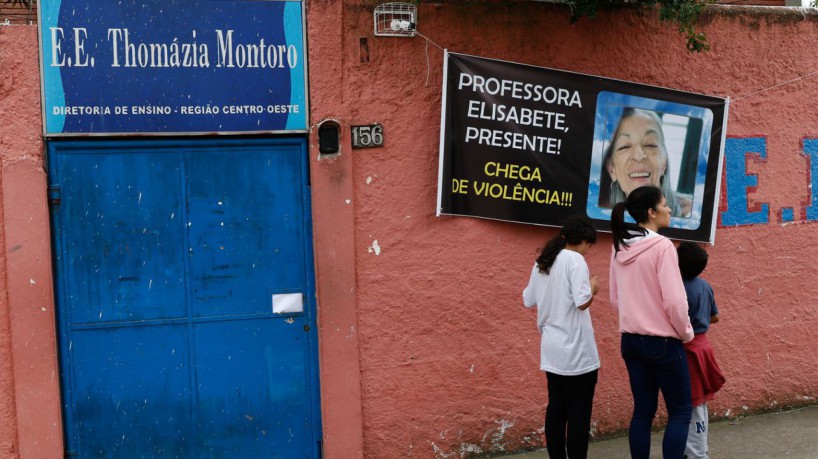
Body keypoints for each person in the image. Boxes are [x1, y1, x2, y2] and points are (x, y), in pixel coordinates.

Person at [608, 185, 694, 459]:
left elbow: (614, 297)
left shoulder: (618, 246)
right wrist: (686, 333)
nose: (670, 208)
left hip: (631, 341)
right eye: (664, 204)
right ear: (651, 212)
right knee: (680, 412)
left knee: (642, 412)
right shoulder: (663, 246)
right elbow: (676, 302)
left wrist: (637, 317)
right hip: (664, 343)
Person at [522, 216, 600, 459]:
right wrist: (592, 288)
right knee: (579, 413)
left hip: (552, 349)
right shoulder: (575, 260)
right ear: (584, 241)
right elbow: (582, 302)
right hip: (577, 351)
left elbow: (528, 299)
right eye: (589, 245)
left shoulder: (542, 261)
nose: (589, 250)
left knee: (556, 408)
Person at [676, 241, 726, 459]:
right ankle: (699, 448)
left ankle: (696, 453)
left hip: (688, 350)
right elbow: (715, 317)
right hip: (703, 347)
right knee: (700, 402)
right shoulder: (704, 286)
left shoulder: (677, 288)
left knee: (692, 403)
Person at [601, 108, 692, 218]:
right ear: (612, 169)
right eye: (625, 146)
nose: (639, 156)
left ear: (664, 163)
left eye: (650, 145)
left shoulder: (691, 214)